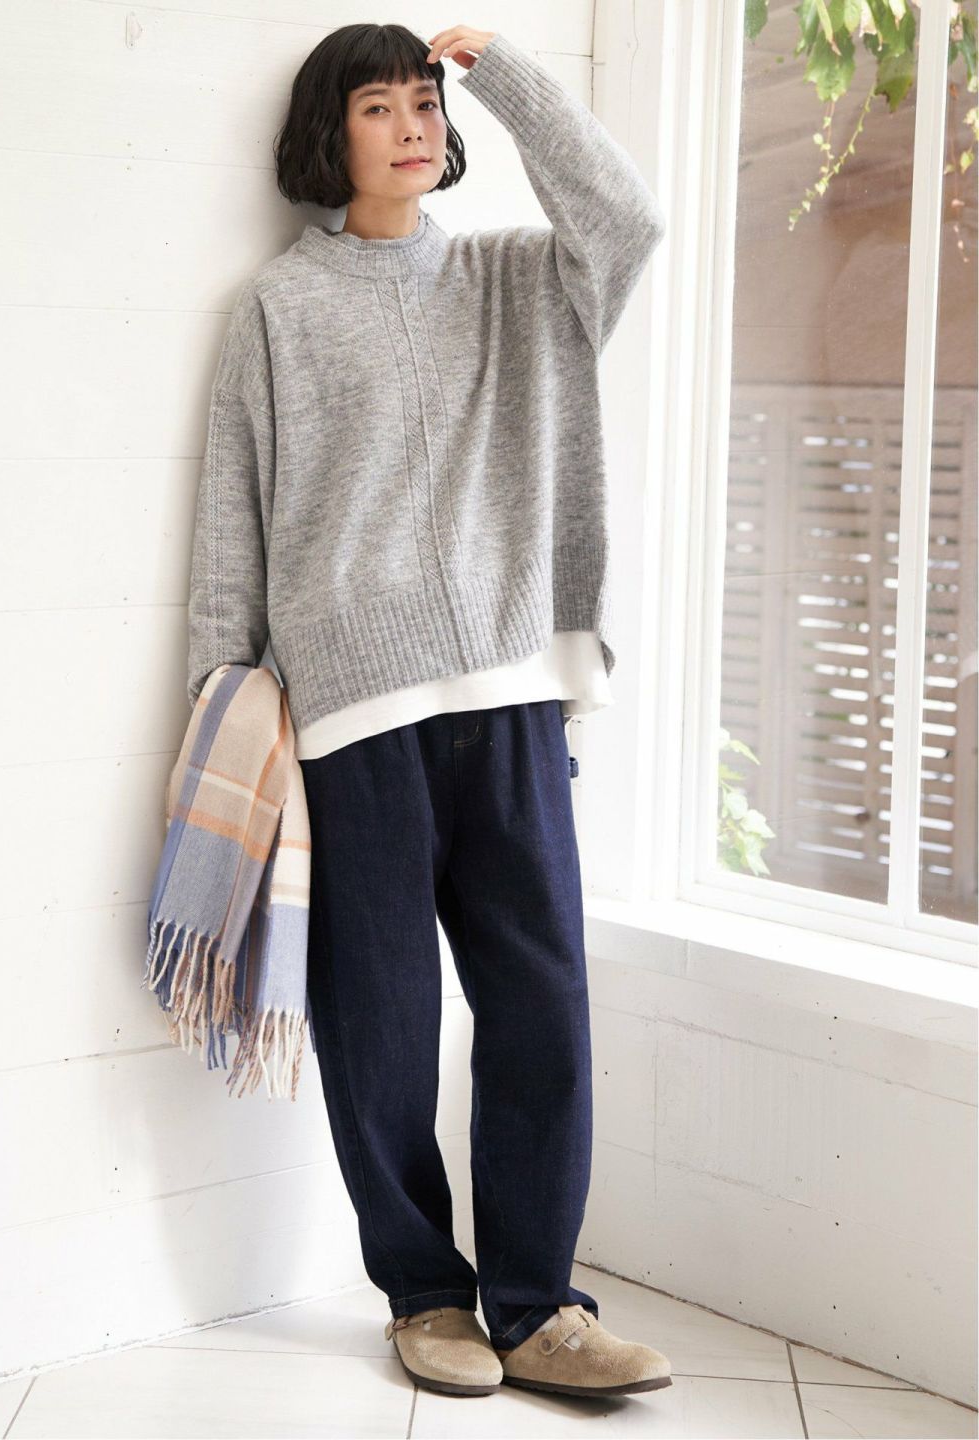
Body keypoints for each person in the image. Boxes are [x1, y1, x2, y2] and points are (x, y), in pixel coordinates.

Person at [187, 19, 672, 1400]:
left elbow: (629, 219)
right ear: (327, 134)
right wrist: (226, 703)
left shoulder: (523, 280)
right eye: (378, 107)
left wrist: (502, 76)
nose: (411, 126)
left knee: (541, 1005)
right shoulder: (277, 310)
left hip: (514, 695)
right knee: (382, 1022)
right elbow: (233, 520)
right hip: (351, 714)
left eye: (423, 104)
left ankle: (538, 1305)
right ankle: (423, 1293)